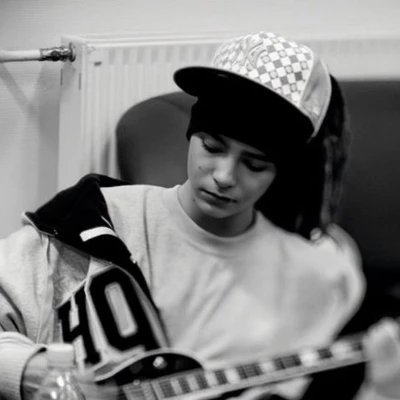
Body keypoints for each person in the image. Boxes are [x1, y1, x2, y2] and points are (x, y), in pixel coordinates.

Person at [0, 31, 399, 400]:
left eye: (255, 165)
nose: (224, 176)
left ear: (281, 172)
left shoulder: (319, 275)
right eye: (212, 147)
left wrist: (382, 389)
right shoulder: (94, 222)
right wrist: (32, 372)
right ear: (191, 135)